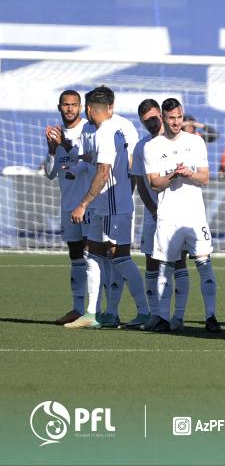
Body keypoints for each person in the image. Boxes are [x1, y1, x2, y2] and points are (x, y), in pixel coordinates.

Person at [65, 86, 149, 330]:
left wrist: (82, 204)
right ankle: (93, 313)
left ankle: (144, 312)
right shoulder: (112, 129)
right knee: (92, 252)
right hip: (105, 204)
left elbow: (104, 172)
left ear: (89, 110)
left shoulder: (106, 132)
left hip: (113, 204)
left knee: (120, 257)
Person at [143, 98, 219, 333]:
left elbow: (205, 178)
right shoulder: (152, 146)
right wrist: (174, 175)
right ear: (163, 118)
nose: (176, 123)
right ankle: (164, 318)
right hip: (168, 216)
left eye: (179, 118)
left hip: (195, 216)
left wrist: (189, 174)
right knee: (166, 267)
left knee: (204, 264)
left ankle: (211, 317)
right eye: (171, 118)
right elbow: (154, 183)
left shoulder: (195, 141)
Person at [45, 90, 93, 325]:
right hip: (68, 205)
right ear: (59, 107)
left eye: (74, 104)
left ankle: (97, 310)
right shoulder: (55, 134)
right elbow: (50, 173)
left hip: (89, 205)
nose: (70, 109)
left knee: (93, 256)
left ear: (80, 107)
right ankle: (77, 309)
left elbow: (88, 161)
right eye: (66, 104)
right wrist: (52, 150)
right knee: (75, 256)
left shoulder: (88, 130)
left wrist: (64, 144)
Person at [130, 99, 168, 330]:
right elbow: (141, 184)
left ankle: (176, 316)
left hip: (178, 214)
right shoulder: (141, 147)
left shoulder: (177, 140)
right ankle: (153, 314)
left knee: (178, 263)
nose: (152, 124)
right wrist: (153, 210)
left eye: (154, 118)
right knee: (151, 261)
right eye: (146, 121)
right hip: (153, 214)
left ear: (161, 114)